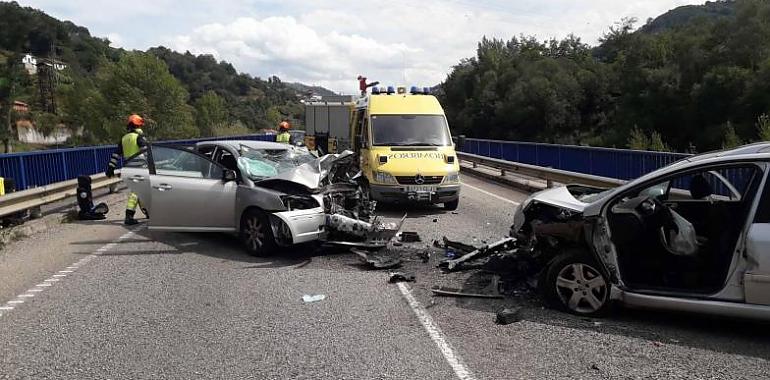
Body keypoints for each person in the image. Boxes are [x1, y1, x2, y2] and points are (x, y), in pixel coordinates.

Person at [106, 114, 148, 225]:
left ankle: (147, 211)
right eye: (140, 126)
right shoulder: (139, 137)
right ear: (137, 126)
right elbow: (146, 153)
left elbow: (116, 154)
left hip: (129, 169)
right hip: (140, 169)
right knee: (137, 192)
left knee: (141, 191)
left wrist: (111, 167)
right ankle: (129, 215)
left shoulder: (123, 139)